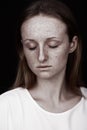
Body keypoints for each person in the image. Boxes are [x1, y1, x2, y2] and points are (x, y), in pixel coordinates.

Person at [0, 0, 87, 129]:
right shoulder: (6, 107)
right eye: (31, 47)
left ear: (72, 44)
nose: (41, 57)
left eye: (53, 45)